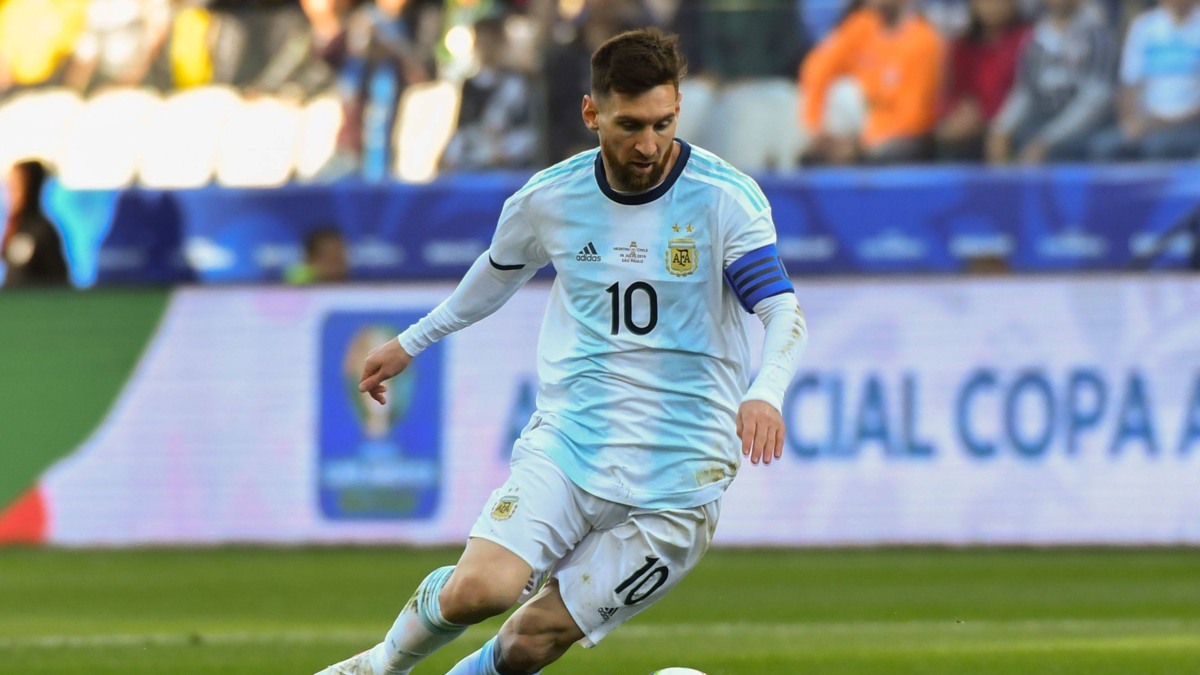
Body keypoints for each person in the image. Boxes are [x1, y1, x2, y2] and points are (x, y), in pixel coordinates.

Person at [314, 28, 808, 675]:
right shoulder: (550, 198)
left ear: (678, 109)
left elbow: (781, 308)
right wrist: (413, 340)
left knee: (528, 642)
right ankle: (379, 666)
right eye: (630, 125)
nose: (649, 144)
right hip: (573, 442)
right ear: (591, 112)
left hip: (680, 480)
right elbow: (496, 275)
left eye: (662, 123)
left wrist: (765, 390)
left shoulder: (725, 198)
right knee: (478, 590)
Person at [799, 0, 944, 164]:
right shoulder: (861, 26)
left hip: (900, 139)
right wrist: (815, 126)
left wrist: (863, 143)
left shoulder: (924, 40)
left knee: (878, 154)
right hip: (856, 130)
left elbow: (913, 118)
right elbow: (818, 68)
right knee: (843, 93)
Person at [986, 0, 1118, 164]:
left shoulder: (1098, 35)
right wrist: (1001, 129)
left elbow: (1096, 99)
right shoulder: (1036, 37)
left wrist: (1046, 140)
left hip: (1085, 130)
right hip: (1042, 122)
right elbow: (1025, 91)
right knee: (1004, 140)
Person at [1089, 0, 1200, 160]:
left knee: (1157, 147)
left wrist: (1170, 121)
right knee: (1103, 147)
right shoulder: (1144, 25)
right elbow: (1129, 83)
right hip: (1148, 122)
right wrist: (1130, 121)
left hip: (1190, 123)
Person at [441, 15, 539, 171]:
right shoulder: (469, 86)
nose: (486, 48)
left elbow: (528, 131)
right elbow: (462, 129)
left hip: (510, 163)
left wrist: (506, 151)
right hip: (476, 161)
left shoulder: (515, 83)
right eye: (482, 42)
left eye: (491, 42)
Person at [936, 0, 1030, 161]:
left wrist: (986, 118)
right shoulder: (962, 46)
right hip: (967, 129)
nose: (991, 6)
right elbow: (952, 94)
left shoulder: (1027, 40)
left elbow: (1025, 94)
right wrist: (952, 117)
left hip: (1011, 128)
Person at [2, 161, 69, 287]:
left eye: (17, 185)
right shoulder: (14, 227)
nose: (11, 193)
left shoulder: (42, 231)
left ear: (31, 188)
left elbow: (59, 280)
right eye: (10, 186)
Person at [285, 227, 349, 284]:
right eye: (330, 259)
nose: (336, 266)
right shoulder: (298, 282)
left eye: (339, 258)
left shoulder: (350, 285)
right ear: (310, 258)